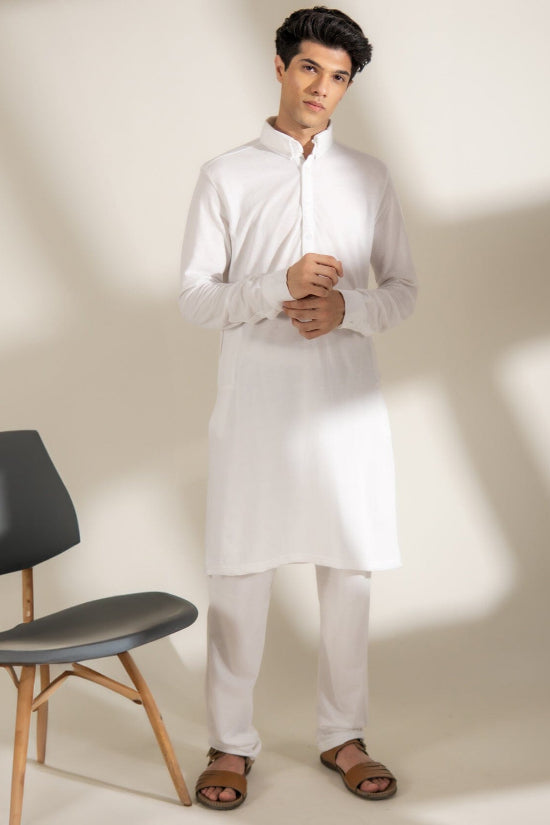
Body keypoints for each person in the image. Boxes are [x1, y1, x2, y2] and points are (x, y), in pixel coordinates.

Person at [179, 6, 417, 810]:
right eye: (310, 67)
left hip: (345, 408)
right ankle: (229, 742)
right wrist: (273, 287)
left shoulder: (370, 177)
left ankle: (343, 735)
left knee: (348, 574)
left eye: (339, 77)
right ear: (280, 66)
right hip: (256, 406)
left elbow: (403, 289)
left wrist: (348, 308)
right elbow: (195, 297)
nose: (322, 87)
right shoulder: (226, 175)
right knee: (239, 573)